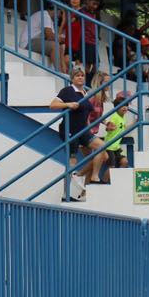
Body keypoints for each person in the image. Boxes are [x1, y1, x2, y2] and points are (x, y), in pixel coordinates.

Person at [49, 65, 105, 200]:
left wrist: (90, 127)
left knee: (101, 146)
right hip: (70, 130)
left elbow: (87, 114)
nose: (80, 78)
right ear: (72, 78)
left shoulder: (85, 93)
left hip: (83, 130)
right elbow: (53, 105)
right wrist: (67, 105)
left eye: (82, 75)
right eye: (77, 76)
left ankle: (95, 176)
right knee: (71, 162)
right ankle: (65, 194)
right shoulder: (67, 91)